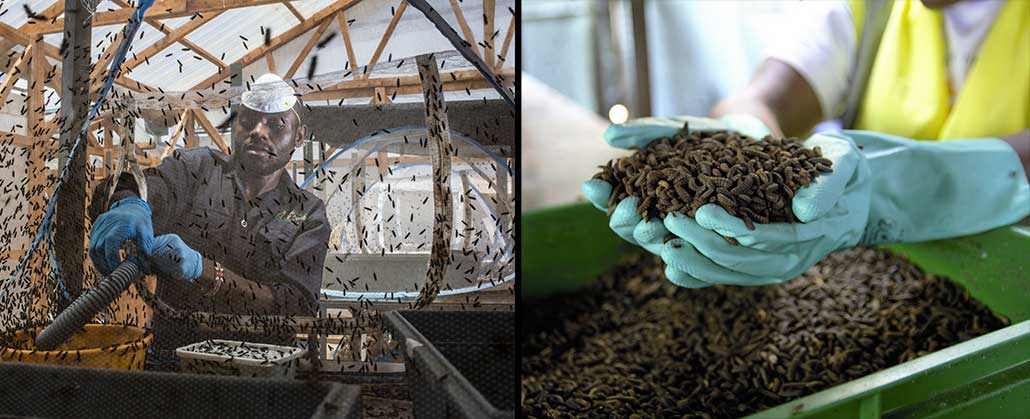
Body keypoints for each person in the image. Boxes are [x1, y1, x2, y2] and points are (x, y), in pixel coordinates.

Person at [583, 0, 1028, 288]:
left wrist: (894, 190)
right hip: (876, 273)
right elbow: (770, 94)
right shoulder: (874, 8)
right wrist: (743, 127)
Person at [88, 73, 331, 364]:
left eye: (276, 124)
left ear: (299, 136)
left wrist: (207, 272)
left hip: (260, 369)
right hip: (173, 361)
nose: (258, 131)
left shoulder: (308, 213)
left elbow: (298, 306)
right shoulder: (197, 169)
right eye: (247, 120)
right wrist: (127, 203)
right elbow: (141, 185)